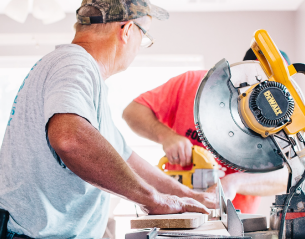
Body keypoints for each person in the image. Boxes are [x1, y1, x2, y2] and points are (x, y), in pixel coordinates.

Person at [0, 0, 215, 239]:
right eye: (144, 36)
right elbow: (70, 139)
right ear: (127, 30)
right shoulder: (75, 63)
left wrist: (187, 196)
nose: (141, 46)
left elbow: (127, 159)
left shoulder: (78, 74)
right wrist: (152, 199)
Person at [122, 49, 291, 214]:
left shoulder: (281, 120)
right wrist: (165, 136)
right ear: (240, 70)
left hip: (234, 221)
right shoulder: (192, 83)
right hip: (176, 210)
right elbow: (132, 112)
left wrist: (235, 182)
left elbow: (288, 177)